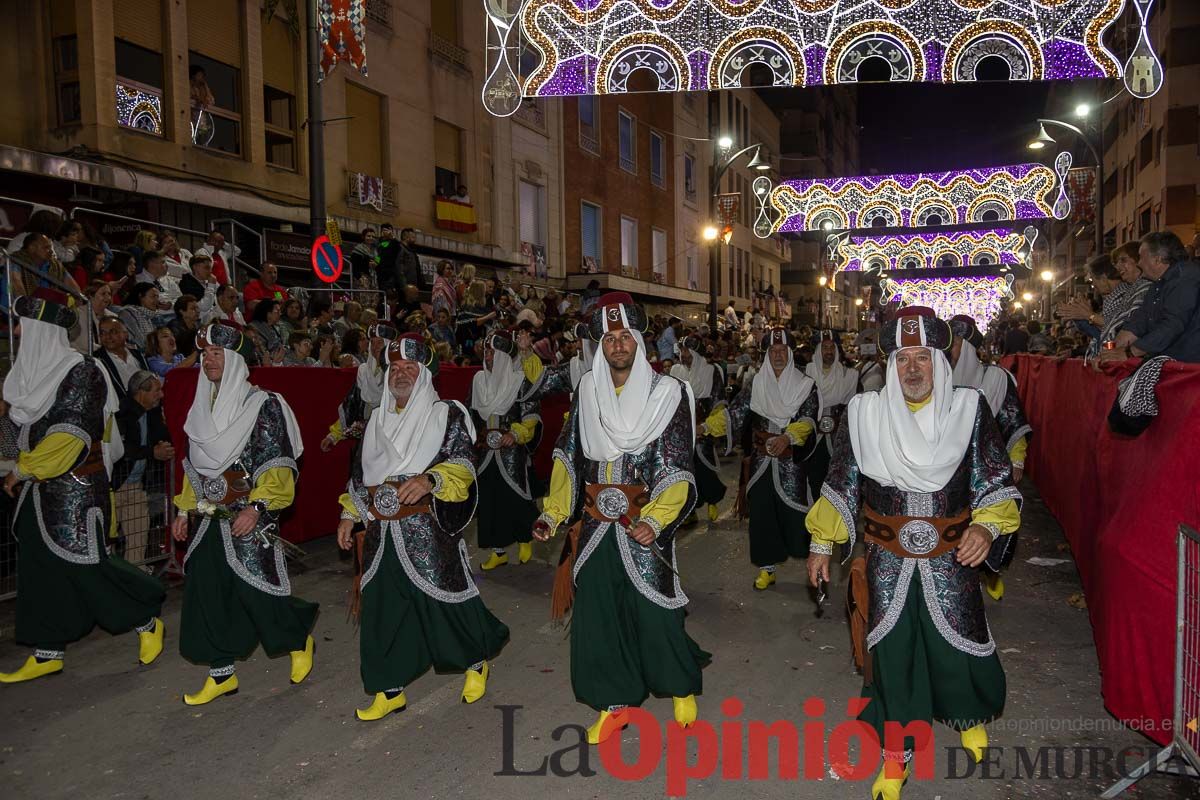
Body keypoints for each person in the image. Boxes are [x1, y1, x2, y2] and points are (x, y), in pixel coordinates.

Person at [805, 306, 1021, 800]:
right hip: (886, 560)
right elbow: (840, 484)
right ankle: (895, 754)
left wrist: (987, 529)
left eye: (923, 358)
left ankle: (966, 714)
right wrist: (821, 543)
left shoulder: (969, 409)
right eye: (904, 359)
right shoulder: (863, 414)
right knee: (895, 654)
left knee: (959, 643)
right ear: (890, 365)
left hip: (953, 557)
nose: (914, 369)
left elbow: (994, 480)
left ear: (940, 362)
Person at [532, 292, 709, 744]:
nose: (616, 344)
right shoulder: (586, 391)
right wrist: (553, 514)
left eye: (624, 335)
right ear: (599, 344)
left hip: (643, 523)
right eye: (608, 337)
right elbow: (568, 457)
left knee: (655, 612)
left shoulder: (668, 393)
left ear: (638, 340)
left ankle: (679, 686)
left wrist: (657, 518)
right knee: (600, 616)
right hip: (594, 526)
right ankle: (615, 704)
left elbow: (674, 466)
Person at [335, 334, 509, 720]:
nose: (400, 374)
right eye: (394, 368)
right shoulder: (375, 420)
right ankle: (388, 688)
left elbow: (463, 463)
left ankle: (475, 660)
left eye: (409, 367)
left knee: (445, 601)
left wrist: (431, 480)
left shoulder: (445, 414)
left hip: (427, 529)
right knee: (382, 609)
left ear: (425, 373)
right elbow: (360, 477)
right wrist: (350, 513)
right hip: (381, 532)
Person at [0, 296, 165, 684]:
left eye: (22, 324)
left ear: (41, 329)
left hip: (75, 492)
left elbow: (69, 435)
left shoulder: (82, 371)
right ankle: (47, 651)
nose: (17, 332)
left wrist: (23, 469)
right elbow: (26, 430)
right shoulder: (35, 374)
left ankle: (145, 620)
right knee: (41, 573)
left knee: (88, 568)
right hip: (39, 494)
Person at [170, 323, 317, 704]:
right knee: (206, 593)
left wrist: (257, 507)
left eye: (217, 353)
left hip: (249, 512)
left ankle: (297, 638)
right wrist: (185, 508)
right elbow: (196, 466)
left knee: (257, 591)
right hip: (207, 516)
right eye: (204, 355)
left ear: (235, 359)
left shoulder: (263, 404)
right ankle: (221, 674)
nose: (209, 361)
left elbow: (277, 464)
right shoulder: (201, 408)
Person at [725, 328, 819, 589]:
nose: (778, 355)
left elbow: (808, 419)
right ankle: (767, 568)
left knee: (797, 515)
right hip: (760, 463)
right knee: (762, 514)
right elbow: (736, 413)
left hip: (792, 463)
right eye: (773, 351)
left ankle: (816, 561)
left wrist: (787, 437)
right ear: (767, 354)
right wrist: (707, 427)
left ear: (790, 353)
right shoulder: (755, 383)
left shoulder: (805, 384)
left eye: (783, 350)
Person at [948, 314, 1032, 602]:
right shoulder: (936, 376)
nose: (950, 349)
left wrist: (1017, 460)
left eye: (956, 342)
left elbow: (1012, 419)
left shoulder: (995, 379)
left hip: (984, 470)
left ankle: (987, 573)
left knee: (987, 524)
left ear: (969, 347)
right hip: (947, 472)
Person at [468, 329, 546, 569]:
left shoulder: (519, 380)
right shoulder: (478, 380)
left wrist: (516, 433)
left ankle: (525, 540)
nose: (488, 354)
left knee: (517, 498)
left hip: (511, 452)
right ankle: (498, 552)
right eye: (486, 349)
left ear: (503, 356)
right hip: (484, 453)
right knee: (489, 502)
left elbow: (531, 413)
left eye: (493, 350)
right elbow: (471, 417)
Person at [1103, 231, 1200, 363]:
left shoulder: (1185, 278)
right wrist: (1110, 352)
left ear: (1157, 259)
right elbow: (1139, 322)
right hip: (1176, 367)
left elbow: (1172, 325)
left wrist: (1130, 352)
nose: (1139, 263)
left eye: (1142, 258)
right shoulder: (1158, 285)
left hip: (1190, 371)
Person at [112, 370, 174, 564]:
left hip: (136, 486)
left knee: (138, 540)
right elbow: (121, 448)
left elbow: (162, 436)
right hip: (113, 487)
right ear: (141, 392)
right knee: (107, 542)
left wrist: (165, 446)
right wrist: (152, 452)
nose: (161, 395)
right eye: (157, 391)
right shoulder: (121, 413)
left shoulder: (152, 412)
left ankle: (134, 579)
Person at [671, 335, 727, 523]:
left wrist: (707, 426)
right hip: (681, 429)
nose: (684, 355)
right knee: (682, 471)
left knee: (704, 469)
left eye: (688, 351)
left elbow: (719, 402)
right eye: (682, 350)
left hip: (703, 429)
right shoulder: (675, 370)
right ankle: (689, 511)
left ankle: (712, 501)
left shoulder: (711, 371)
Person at [804, 331, 858, 505]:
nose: (829, 351)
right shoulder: (807, 372)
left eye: (832, 348)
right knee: (812, 474)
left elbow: (850, 406)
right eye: (825, 348)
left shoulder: (847, 375)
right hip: (811, 431)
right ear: (819, 350)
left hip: (837, 434)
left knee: (836, 475)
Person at [95, 317, 151, 404]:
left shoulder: (138, 355)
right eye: (103, 333)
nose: (108, 336)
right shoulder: (97, 360)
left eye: (113, 332)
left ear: (125, 334)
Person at [119, 282, 161, 350]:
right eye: (153, 296)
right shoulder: (127, 313)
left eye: (157, 297)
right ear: (141, 296)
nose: (157, 300)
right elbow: (140, 342)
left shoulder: (149, 316)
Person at [179, 254, 221, 320]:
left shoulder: (208, 280)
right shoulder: (187, 282)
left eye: (211, 268)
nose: (210, 271)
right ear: (195, 267)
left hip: (214, 317)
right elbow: (204, 307)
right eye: (206, 268)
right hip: (198, 320)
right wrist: (211, 286)